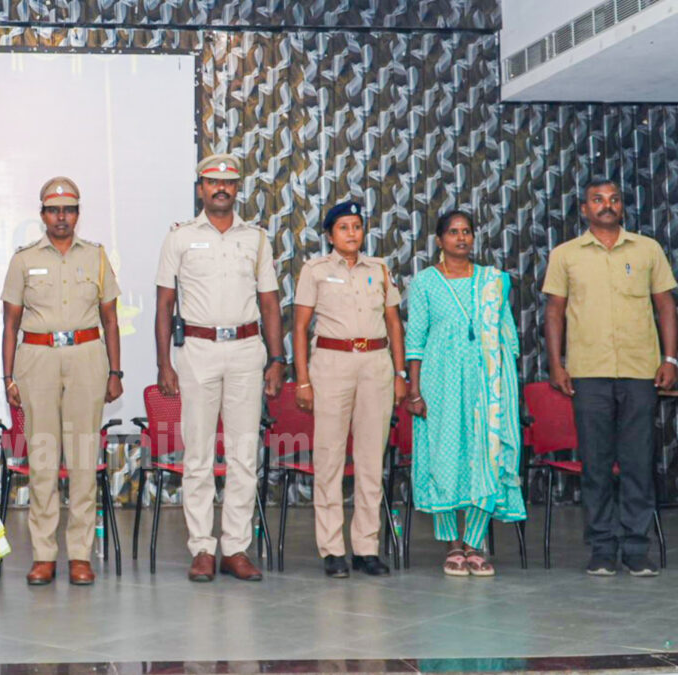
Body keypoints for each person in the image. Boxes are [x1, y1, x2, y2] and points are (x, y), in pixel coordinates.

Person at [154, 153, 283, 582]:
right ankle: (202, 549)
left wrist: (278, 358)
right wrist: (164, 364)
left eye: (228, 182)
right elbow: (164, 304)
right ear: (201, 188)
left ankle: (236, 548)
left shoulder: (257, 239)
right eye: (213, 182)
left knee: (245, 454)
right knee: (199, 455)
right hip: (197, 349)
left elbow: (269, 303)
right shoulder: (179, 238)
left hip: (248, 349)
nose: (220, 188)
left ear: (237, 188)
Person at [543, 178, 677, 577]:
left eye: (614, 199)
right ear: (583, 209)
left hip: (640, 373)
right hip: (588, 373)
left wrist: (671, 358)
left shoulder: (647, 249)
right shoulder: (566, 255)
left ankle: (636, 549)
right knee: (597, 464)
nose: (606, 205)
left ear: (623, 207)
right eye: (597, 200)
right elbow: (554, 312)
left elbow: (666, 306)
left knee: (638, 463)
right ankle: (602, 547)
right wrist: (556, 363)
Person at [1, 177, 123, 586]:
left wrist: (115, 371)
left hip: (88, 356)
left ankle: (80, 555)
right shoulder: (23, 260)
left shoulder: (98, 257)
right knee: (43, 460)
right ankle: (44, 554)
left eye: (69, 210)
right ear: (42, 215)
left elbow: (110, 318)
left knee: (84, 459)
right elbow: (10, 323)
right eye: (54, 210)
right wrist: (8, 376)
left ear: (77, 214)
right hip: (37, 358)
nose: (61, 218)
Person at [404, 211, 526, 577]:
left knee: (483, 456)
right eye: (453, 232)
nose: (461, 238)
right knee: (444, 455)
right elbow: (416, 340)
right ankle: (451, 544)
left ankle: (474, 543)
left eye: (467, 232)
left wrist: (502, 387)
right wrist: (413, 390)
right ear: (439, 240)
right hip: (439, 381)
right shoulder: (424, 283)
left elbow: (509, 338)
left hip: (487, 385)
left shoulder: (493, 282)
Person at [291, 201, 405, 578]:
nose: (352, 233)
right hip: (332, 364)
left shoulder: (379, 269)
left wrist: (400, 372)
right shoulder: (315, 270)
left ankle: (367, 548)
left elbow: (393, 322)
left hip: (375, 364)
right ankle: (332, 549)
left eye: (357, 226)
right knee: (329, 459)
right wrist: (303, 379)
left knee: (371, 460)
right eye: (343, 227)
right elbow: (301, 327)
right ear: (330, 234)